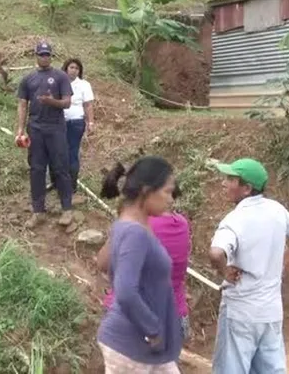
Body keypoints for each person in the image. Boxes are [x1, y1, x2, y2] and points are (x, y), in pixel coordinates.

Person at [208, 158, 289, 374]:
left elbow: (216, 253)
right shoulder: (276, 210)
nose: (224, 183)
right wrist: (285, 260)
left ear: (246, 188)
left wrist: (225, 271)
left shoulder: (234, 220)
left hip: (240, 313)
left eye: (231, 179)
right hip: (270, 313)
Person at [96, 156, 184, 373]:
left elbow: (104, 263)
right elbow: (125, 290)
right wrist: (152, 329)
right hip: (130, 345)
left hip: (145, 346)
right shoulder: (134, 232)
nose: (171, 199)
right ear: (146, 190)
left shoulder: (129, 224)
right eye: (167, 191)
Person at [16, 41, 74, 229]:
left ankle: (67, 209)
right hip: (36, 128)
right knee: (36, 169)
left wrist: (51, 102)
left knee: (60, 168)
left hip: (56, 127)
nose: (44, 57)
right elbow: (22, 104)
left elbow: (66, 103)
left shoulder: (60, 77)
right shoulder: (28, 79)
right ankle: (38, 211)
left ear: (51, 56)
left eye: (47, 54)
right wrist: (20, 129)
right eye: (41, 54)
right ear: (36, 56)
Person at [50, 58, 95, 203]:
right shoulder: (58, 82)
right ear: (65, 69)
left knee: (72, 152)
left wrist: (90, 122)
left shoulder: (84, 85)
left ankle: (71, 185)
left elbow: (88, 105)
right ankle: (57, 183)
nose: (74, 70)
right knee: (57, 151)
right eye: (71, 67)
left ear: (79, 71)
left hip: (76, 122)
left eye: (76, 68)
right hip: (58, 122)